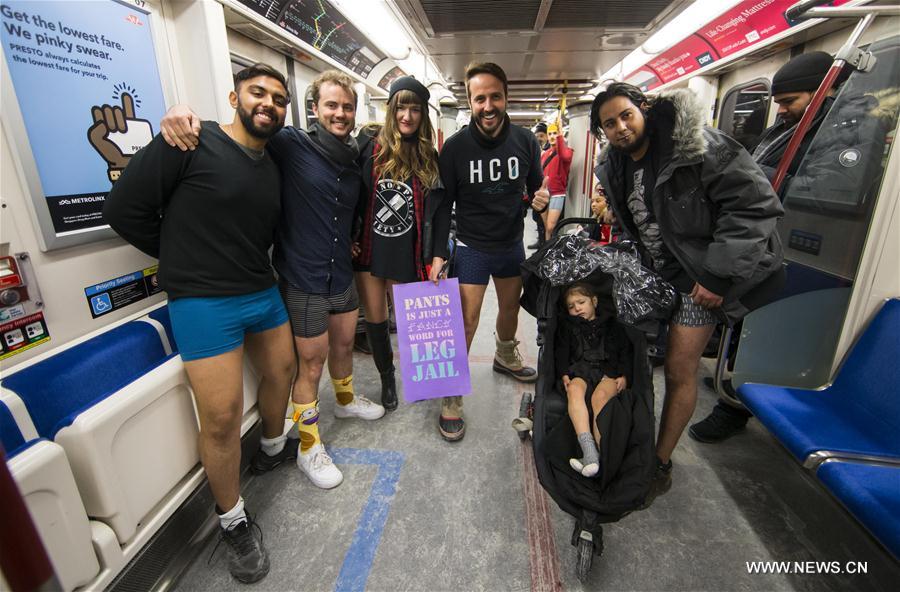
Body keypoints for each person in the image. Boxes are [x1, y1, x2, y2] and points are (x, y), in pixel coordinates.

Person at [104, 63, 295, 583]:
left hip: (261, 289)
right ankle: (232, 521)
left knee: (283, 372)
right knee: (221, 416)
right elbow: (123, 209)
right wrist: (180, 256)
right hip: (204, 301)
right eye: (259, 93)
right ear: (234, 98)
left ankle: (274, 449)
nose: (269, 104)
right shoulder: (190, 140)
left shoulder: (272, 159)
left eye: (279, 99)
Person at [160, 70, 385, 492]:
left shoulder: (357, 156)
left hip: (340, 270)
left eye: (347, 107)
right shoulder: (289, 143)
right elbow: (240, 131)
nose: (340, 113)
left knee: (342, 347)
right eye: (331, 105)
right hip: (302, 277)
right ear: (314, 109)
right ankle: (308, 447)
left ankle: (347, 399)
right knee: (310, 365)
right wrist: (181, 112)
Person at [590, 82, 784, 506]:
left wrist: (718, 275)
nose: (621, 127)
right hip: (654, 273)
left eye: (626, 115)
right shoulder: (617, 166)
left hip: (699, 278)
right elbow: (635, 224)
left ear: (643, 108)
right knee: (631, 359)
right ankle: (633, 441)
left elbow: (754, 206)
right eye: (609, 123)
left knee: (679, 368)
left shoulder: (696, 146)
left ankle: (660, 462)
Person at [691, 51, 890, 443]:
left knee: (765, 326)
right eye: (778, 102)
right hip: (764, 242)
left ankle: (732, 407)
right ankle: (736, 383)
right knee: (745, 326)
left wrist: (748, 181)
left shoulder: (851, 128)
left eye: (789, 101)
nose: (780, 110)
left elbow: (828, 189)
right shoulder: (791, 126)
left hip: (807, 248)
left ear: (823, 92)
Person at [431, 62, 550, 441]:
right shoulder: (455, 149)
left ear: (505, 97)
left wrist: (541, 199)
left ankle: (504, 354)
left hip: (510, 243)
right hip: (471, 246)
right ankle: (451, 392)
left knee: (511, 310)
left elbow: (535, 192)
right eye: (479, 98)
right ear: (470, 101)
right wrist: (436, 253)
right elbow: (440, 203)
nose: (487, 105)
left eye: (494, 96)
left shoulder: (526, 141)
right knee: (466, 321)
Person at [354, 76, 444, 411]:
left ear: (423, 115)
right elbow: (352, 193)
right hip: (370, 246)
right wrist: (349, 237)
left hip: (408, 248)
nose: (407, 115)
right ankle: (387, 378)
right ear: (391, 109)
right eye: (401, 107)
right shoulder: (369, 145)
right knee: (376, 319)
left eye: (415, 109)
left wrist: (438, 255)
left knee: (410, 321)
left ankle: (419, 374)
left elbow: (441, 210)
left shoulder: (429, 156)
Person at [557, 283, 630, 477]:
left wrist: (624, 374)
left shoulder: (612, 325)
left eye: (581, 302)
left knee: (600, 398)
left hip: (608, 371)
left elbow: (624, 350)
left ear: (594, 302)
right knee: (573, 389)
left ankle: (603, 455)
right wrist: (563, 373)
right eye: (571, 306)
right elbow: (562, 351)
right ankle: (589, 453)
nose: (577, 308)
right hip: (580, 370)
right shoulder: (568, 327)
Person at [540, 122, 574, 240]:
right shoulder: (545, 154)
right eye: (550, 134)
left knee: (550, 227)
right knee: (546, 228)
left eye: (555, 133)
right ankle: (546, 250)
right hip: (544, 193)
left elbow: (564, 156)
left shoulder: (567, 151)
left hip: (557, 194)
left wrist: (560, 137)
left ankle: (550, 249)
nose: (552, 136)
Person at [529, 122, 549, 249]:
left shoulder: (550, 151)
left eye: (542, 135)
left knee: (547, 222)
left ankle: (545, 246)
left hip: (548, 190)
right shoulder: (534, 150)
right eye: (537, 136)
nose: (539, 138)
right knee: (537, 217)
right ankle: (540, 241)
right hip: (536, 189)